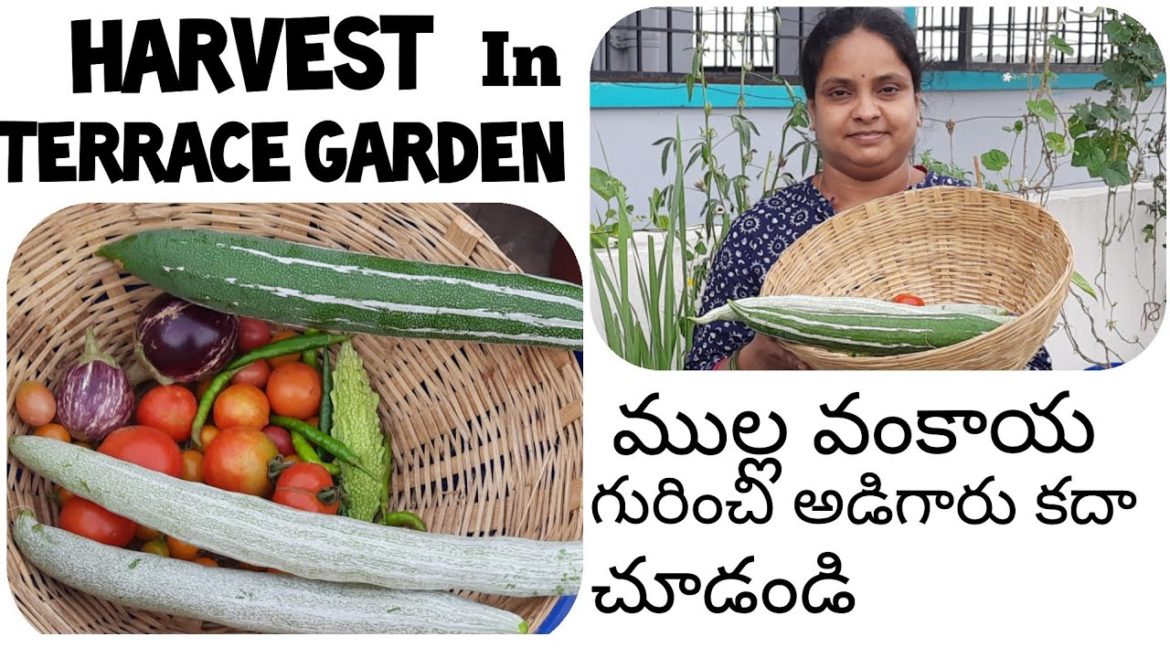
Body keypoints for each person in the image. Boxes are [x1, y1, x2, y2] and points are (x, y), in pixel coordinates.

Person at [684, 7, 1051, 371]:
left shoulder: (974, 221)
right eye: (840, 93)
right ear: (812, 112)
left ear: (917, 104)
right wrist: (752, 362)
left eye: (888, 89)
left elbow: (1032, 361)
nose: (866, 110)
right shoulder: (760, 233)